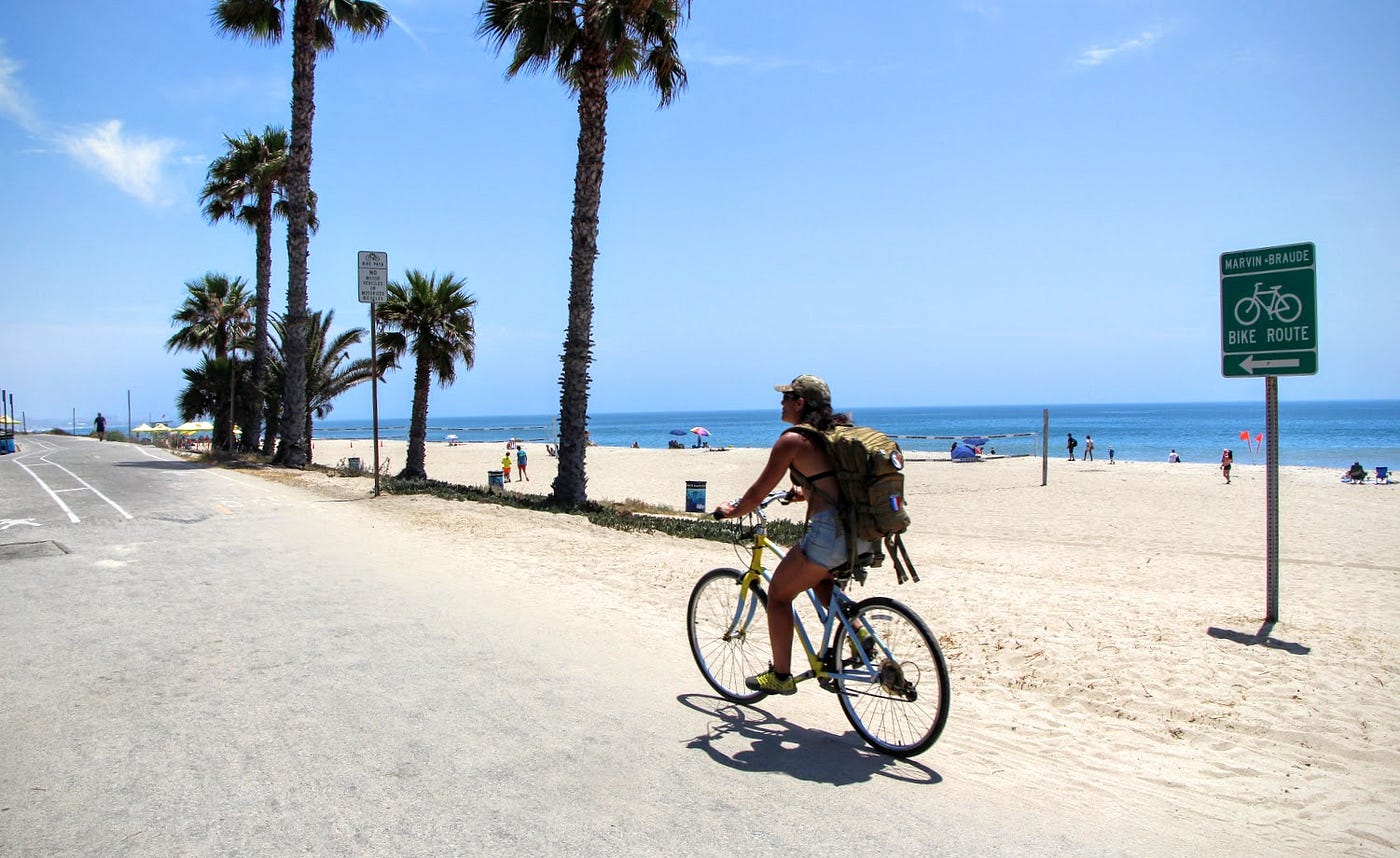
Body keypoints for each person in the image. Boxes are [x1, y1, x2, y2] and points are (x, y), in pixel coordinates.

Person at [715, 374, 865, 696]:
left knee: (780, 596)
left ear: (800, 403)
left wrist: (732, 510)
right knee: (822, 581)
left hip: (831, 535)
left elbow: (756, 492)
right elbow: (838, 483)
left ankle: (781, 676)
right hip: (864, 531)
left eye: (785, 398)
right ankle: (859, 634)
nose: (780, 403)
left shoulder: (793, 440)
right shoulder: (838, 434)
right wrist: (806, 492)